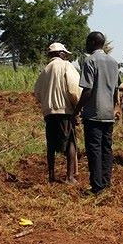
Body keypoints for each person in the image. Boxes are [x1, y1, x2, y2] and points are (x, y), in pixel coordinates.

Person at [73, 31, 121, 194]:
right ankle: (106, 182)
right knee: (106, 149)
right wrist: (114, 107)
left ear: (93, 43)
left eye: (87, 42)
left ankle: (97, 186)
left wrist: (76, 111)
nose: (86, 45)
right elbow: (116, 89)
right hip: (108, 114)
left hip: (94, 114)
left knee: (94, 150)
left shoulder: (90, 60)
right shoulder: (113, 62)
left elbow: (87, 90)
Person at [34, 42, 81, 183]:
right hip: (65, 110)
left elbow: (37, 92)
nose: (66, 56)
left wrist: (47, 104)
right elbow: (73, 90)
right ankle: (69, 177)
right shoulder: (67, 66)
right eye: (64, 53)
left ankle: (51, 176)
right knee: (70, 142)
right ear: (60, 53)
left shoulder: (45, 70)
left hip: (49, 113)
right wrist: (77, 108)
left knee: (51, 145)